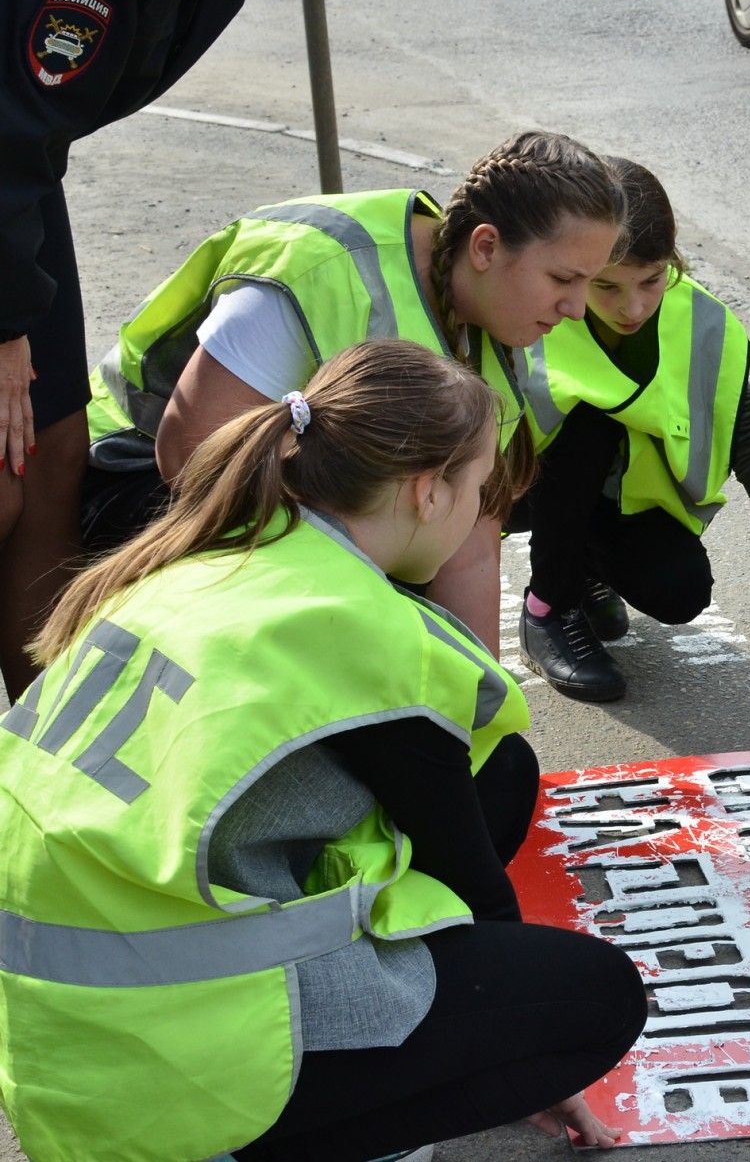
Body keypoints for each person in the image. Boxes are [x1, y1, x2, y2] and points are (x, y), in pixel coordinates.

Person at [0, 341, 646, 1162]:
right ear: (427, 492)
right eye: (479, 489)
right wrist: (527, 1053)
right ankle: (278, 1141)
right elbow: (474, 885)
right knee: (593, 1000)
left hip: (57, 1036)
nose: (480, 509)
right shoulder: (361, 626)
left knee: (499, 771)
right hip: (166, 1063)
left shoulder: (228, 552)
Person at [81, 129, 626, 651]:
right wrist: (356, 573)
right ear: (485, 247)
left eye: (587, 282)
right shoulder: (326, 267)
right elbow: (188, 455)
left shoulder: (506, 313)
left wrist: (482, 715)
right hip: (143, 482)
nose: (576, 309)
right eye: (563, 280)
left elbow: (468, 547)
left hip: (306, 501)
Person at [514, 158, 750, 733]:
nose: (632, 307)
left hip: (618, 505)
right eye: (607, 286)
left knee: (681, 591)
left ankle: (582, 569)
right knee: (588, 422)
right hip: (522, 481)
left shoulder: (702, 321)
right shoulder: (541, 301)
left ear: (673, 263)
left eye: (651, 281)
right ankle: (546, 607)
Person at [0, 0, 247, 701]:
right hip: (9, 167)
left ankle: (49, 735)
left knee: (49, 462)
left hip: (22, 176)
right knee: (9, 479)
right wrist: (6, 326)